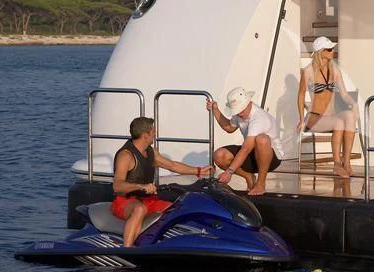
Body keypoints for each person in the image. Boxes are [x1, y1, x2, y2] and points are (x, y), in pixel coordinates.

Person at [111, 116, 213, 247]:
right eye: (152, 131)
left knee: (177, 209)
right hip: (124, 201)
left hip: (148, 200)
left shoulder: (150, 152)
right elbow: (117, 186)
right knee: (139, 209)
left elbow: (172, 166)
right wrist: (140, 186)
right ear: (145, 135)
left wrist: (198, 171)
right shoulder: (126, 155)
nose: (155, 133)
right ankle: (127, 250)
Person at [298, 36, 359, 177]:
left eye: (333, 49)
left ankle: (346, 163)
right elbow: (301, 95)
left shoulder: (335, 69)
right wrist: (301, 120)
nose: (333, 51)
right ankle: (336, 164)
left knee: (349, 116)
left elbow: (343, 93)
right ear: (321, 52)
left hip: (330, 116)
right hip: (314, 117)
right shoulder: (308, 71)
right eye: (330, 49)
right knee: (338, 122)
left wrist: (354, 104)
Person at [207, 87, 284, 196]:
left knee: (262, 139)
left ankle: (261, 184)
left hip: (272, 158)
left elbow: (246, 148)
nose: (239, 113)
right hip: (251, 154)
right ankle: (249, 176)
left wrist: (229, 172)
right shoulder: (238, 114)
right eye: (237, 110)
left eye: (241, 109)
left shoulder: (259, 118)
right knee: (219, 156)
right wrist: (215, 109)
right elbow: (229, 128)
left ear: (249, 102)